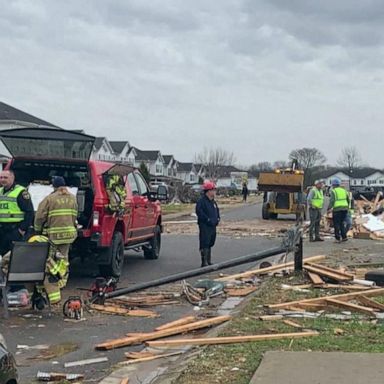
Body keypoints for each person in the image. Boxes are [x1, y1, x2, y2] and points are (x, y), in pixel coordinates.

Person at [34, 176, 78, 304]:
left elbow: (39, 216)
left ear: (53, 186)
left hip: (53, 236)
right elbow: (74, 215)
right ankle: (63, 281)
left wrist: (37, 230)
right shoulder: (72, 197)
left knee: (50, 260)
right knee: (64, 259)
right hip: (69, 234)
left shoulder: (50, 198)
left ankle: (53, 284)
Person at [0, 170, 34, 256]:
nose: (2, 179)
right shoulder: (0, 191)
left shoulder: (21, 192)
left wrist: (21, 230)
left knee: (14, 257)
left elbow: (29, 212)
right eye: (1, 177)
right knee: (3, 256)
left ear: (12, 178)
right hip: (2, 230)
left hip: (14, 230)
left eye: (5, 177)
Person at [196, 180, 220, 267]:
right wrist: (207, 220)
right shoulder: (201, 202)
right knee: (205, 241)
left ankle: (209, 260)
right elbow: (199, 212)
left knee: (211, 241)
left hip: (213, 225)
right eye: (213, 190)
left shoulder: (213, 202)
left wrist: (217, 219)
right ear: (208, 191)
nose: (214, 192)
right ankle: (204, 261)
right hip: (205, 225)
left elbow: (216, 210)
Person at [327, 178, 350, 243]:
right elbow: (348, 199)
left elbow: (332, 201)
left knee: (336, 224)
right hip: (344, 209)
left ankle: (337, 238)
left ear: (333, 185)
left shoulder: (333, 191)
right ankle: (344, 237)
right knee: (342, 223)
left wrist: (329, 208)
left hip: (337, 209)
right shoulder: (344, 190)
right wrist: (347, 207)